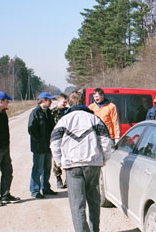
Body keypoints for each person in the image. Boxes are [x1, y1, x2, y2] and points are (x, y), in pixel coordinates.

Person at [50, 91, 112, 232]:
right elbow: (106, 141)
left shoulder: (63, 120)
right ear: (84, 101)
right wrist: (104, 158)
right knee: (94, 202)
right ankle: (94, 229)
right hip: (92, 164)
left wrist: (60, 161)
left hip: (72, 166)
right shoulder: (94, 119)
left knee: (77, 205)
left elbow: (54, 143)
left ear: (69, 103)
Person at [28, 92, 57, 199]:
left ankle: (46, 188)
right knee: (38, 169)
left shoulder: (48, 112)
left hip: (48, 146)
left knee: (47, 168)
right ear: (43, 100)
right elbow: (31, 129)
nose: (50, 102)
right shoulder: (35, 112)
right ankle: (35, 190)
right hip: (39, 147)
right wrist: (39, 141)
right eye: (49, 100)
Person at [51, 93, 68, 189]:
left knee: (67, 158)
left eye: (66, 102)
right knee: (56, 160)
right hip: (57, 138)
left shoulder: (68, 111)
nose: (65, 104)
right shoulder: (53, 112)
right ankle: (58, 178)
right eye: (63, 102)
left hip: (67, 138)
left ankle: (67, 179)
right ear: (58, 101)